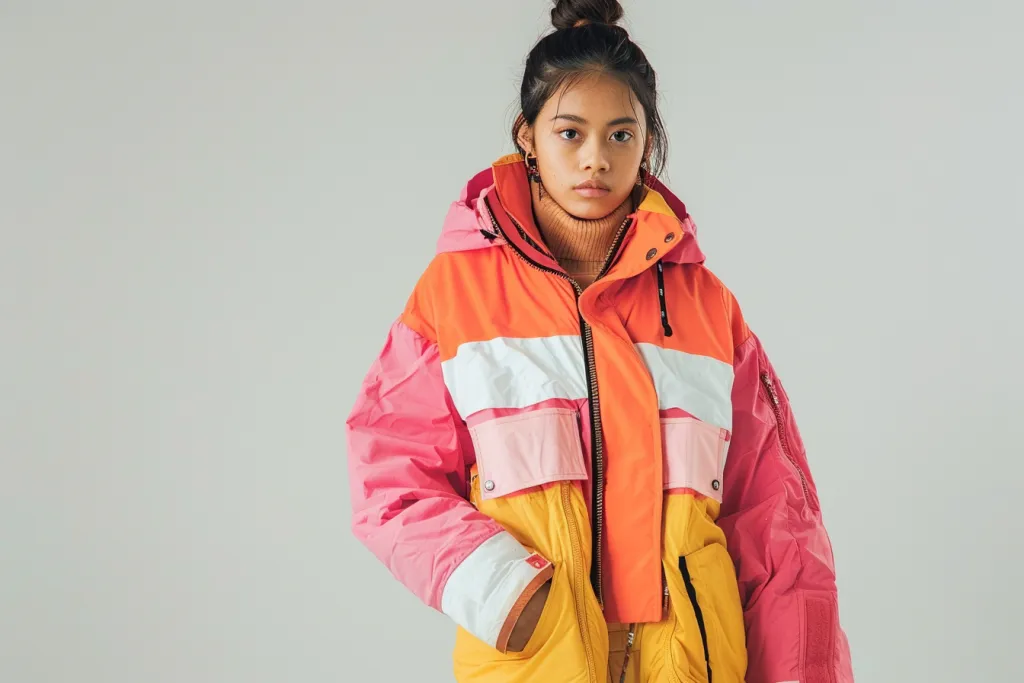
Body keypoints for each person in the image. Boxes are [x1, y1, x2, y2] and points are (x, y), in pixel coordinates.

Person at [346, 1, 854, 681]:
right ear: (528, 136)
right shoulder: (457, 293)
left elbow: (774, 520)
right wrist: (505, 591)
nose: (596, 159)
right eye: (570, 133)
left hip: (692, 660)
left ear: (649, 140)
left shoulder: (707, 308)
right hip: (538, 657)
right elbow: (389, 472)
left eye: (621, 134)